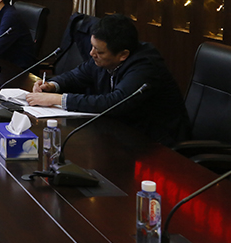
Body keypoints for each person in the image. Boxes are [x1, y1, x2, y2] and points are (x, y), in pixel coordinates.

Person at [26, 14, 190, 146]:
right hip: (120, 134)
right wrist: (52, 86)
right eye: (92, 47)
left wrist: (57, 99)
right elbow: (77, 75)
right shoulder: (103, 58)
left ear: (123, 55)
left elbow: (115, 102)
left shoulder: (145, 66)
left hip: (156, 144)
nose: (92, 53)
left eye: (98, 51)